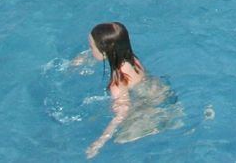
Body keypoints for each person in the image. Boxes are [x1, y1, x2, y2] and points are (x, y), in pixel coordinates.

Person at [77, 22, 179, 158]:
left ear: (105, 53)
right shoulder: (132, 59)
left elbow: (121, 114)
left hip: (147, 109)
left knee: (121, 139)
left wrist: (99, 142)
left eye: (91, 47)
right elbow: (112, 49)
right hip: (160, 91)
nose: (90, 50)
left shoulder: (117, 83)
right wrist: (86, 58)